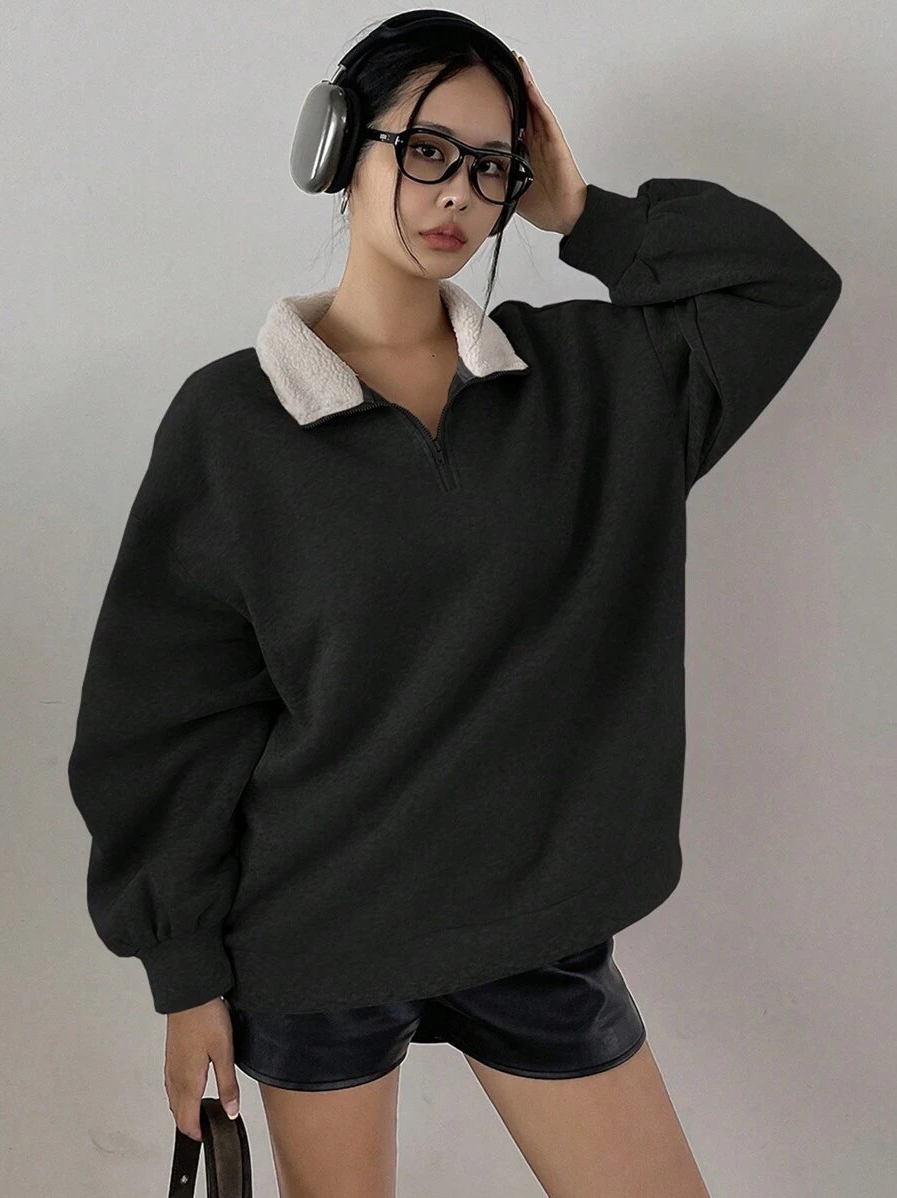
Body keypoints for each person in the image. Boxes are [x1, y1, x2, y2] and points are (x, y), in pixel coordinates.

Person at [67, 14, 841, 1198]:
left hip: (532, 927)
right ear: (340, 147)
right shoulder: (232, 426)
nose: (460, 195)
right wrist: (185, 977)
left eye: (493, 166)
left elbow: (782, 284)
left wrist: (582, 212)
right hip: (318, 936)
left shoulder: (593, 384)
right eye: (427, 149)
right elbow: (167, 721)